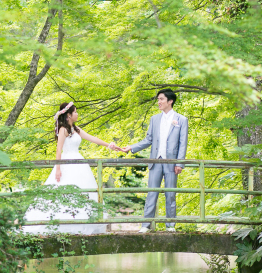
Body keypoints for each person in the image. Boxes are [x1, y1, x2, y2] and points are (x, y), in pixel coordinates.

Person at [23, 102, 121, 234]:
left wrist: (108, 145)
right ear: (68, 115)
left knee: (83, 191)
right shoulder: (63, 129)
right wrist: (58, 168)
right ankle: (63, 225)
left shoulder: (75, 129)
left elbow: (91, 138)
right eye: (75, 112)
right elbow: (58, 150)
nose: (77, 114)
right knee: (64, 192)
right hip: (67, 163)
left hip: (79, 163)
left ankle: (82, 224)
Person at [120, 89, 188, 233]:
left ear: (170, 101)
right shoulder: (154, 119)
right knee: (152, 193)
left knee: (170, 194)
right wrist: (131, 147)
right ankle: (146, 225)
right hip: (155, 161)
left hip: (171, 162)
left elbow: (183, 143)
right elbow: (148, 140)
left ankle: (170, 225)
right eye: (158, 99)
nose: (159, 102)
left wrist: (179, 163)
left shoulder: (181, 120)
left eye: (161, 99)